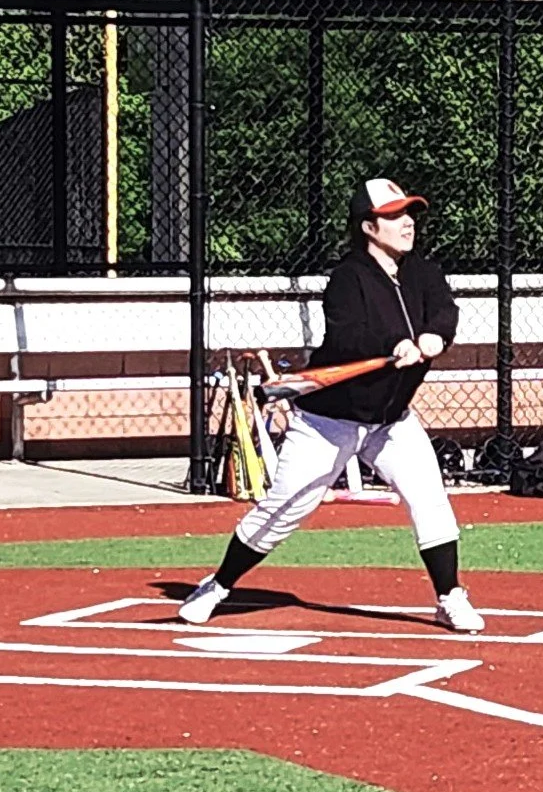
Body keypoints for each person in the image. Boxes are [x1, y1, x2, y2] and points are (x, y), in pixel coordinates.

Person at [177, 178, 485, 633]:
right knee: (286, 508)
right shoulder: (347, 278)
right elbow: (347, 336)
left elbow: (444, 310)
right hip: (328, 421)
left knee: (430, 499)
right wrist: (393, 342)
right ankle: (218, 585)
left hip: (390, 422)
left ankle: (449, 596)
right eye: (394, 216)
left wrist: (436, 334)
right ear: (368, 226)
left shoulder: (424, 272)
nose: (407, 224)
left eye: (409, 215)